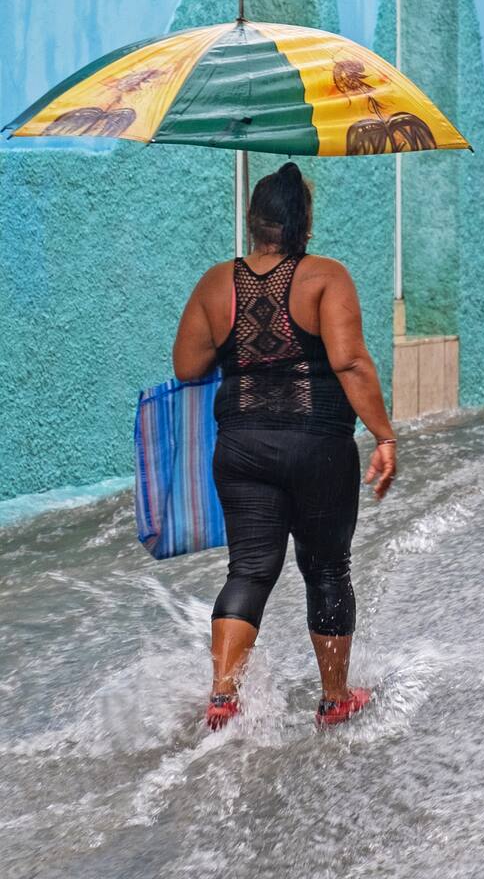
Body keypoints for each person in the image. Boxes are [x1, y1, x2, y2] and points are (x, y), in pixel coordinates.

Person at [173, 162, 398, 730]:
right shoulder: (325, 277)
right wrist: (383, 434)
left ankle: (223, 696)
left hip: (242, 447)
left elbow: (187, 364)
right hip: (317, 445)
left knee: (248, 570)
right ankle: (334, 698)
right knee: (326, 568)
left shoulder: (215, 283)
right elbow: (348, 360)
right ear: (305, 223)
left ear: (253, 222)